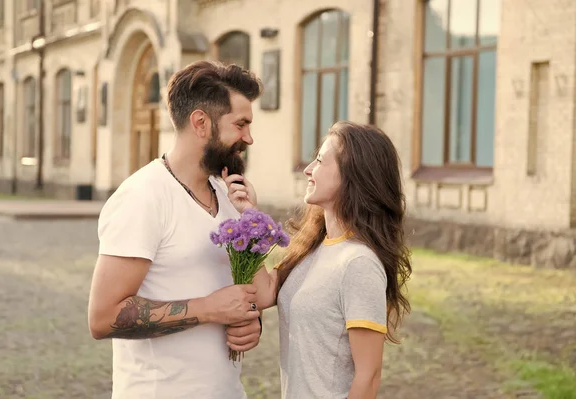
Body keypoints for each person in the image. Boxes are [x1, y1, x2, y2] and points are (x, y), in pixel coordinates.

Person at [87, 61, 264, 399]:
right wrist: (209, 309)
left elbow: (262, 294)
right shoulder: (143, 196)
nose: (249, 138)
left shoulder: (230, 195)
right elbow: (103, 317)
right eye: (240, 124)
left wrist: (250, 322)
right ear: (201, 123)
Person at [252, 121, 412, 399]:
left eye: (319, 161)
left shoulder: (359, 263)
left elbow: (369, 376)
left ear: (353, 175)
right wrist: (247, 218)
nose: (308, 170)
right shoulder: (311, 247)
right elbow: (263, 293)